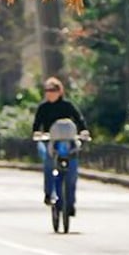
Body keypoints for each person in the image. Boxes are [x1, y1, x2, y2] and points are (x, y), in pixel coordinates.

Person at [31, 77, 90, 212]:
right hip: (50, 141)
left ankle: (70, 203)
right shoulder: (43, 107)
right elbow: (36, 124)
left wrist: (83, 131)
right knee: (49, 164)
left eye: (53, 90)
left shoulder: (67, 105)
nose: (50, 93)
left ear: (60, 91)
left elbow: (79, 119)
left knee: (72, 172)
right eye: (47, 90)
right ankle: (48, 193)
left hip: (68, 142)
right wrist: (37, 133)